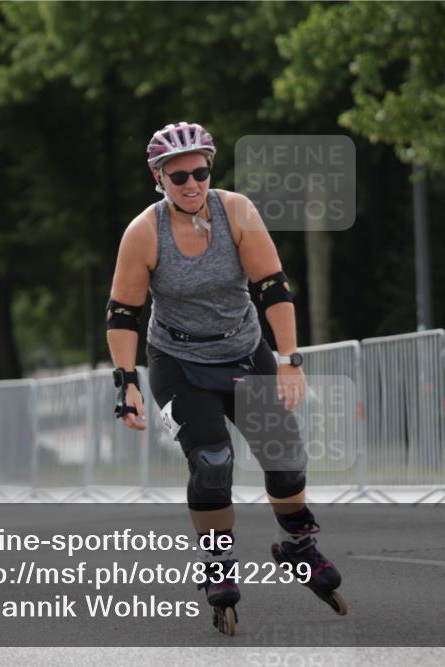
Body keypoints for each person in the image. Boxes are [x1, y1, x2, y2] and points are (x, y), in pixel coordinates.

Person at [105, 122, 346, 635]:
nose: (191, 184)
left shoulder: (236, 211)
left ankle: (298, 546)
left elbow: (273, 286)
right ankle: (217, 565)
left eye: (200, 172)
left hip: (242, 352)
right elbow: (123, 313)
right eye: (178, 177)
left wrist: (289, 359)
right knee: (213, 460)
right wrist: (125, 382)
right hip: (179, 363)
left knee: (284, 460)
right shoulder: (144, 233)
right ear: (158, 178)